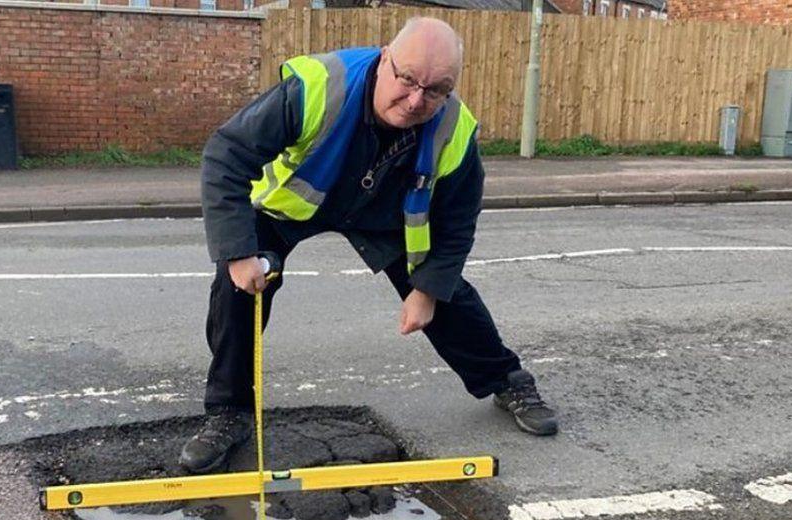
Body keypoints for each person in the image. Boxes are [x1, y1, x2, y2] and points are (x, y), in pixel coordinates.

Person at [180, 17, 558, 474]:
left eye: (436, 89)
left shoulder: (454, 129)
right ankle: (229, 413)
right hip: (295, 204)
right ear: (384, 59)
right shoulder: (318, 88)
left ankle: (507, 380)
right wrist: (239, 253)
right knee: (238, 288)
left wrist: (429, 290)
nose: (417, 99)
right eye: (407, 79)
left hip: (385, 211)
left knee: (448, 294)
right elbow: (226, 154)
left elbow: (456, 222)